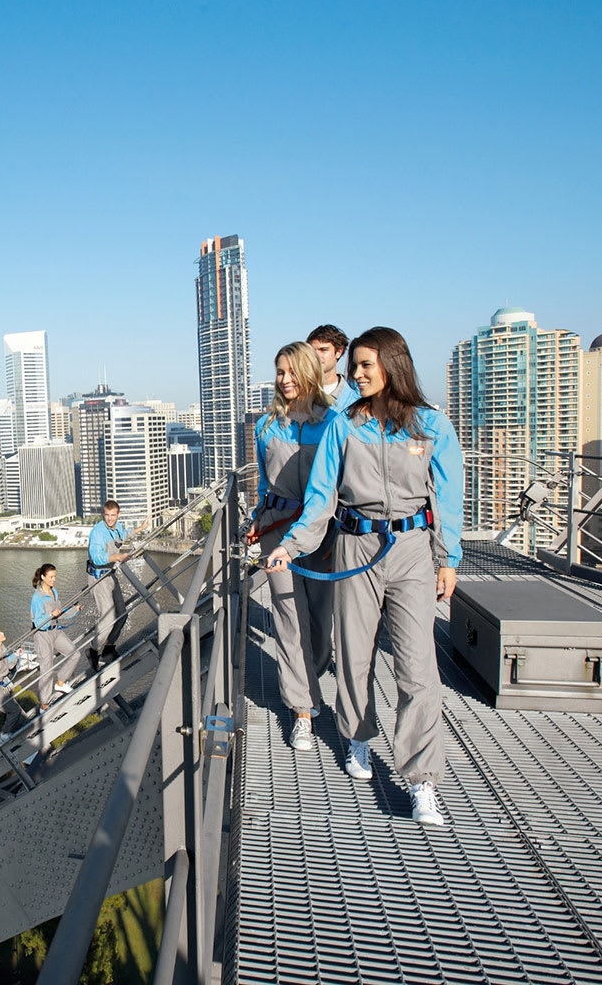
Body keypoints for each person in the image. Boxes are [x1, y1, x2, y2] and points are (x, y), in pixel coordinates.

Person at [266, 326, 463, 828]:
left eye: (365, 366)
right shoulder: (343, 427)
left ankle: (422, 781)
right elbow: (320, 498)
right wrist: (290, 546)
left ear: (393, 366)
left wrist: (449, 558)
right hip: (355, 544)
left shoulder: (430, 425)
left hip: (413, 552)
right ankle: (356, 736)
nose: (355, 375)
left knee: (417, 667)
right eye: (353, 366)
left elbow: (448, 496)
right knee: (354, 653)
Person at [252, 341, 337, 753]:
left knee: (321, 621)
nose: (284, 380)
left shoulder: (334, 423)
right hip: (277, 531)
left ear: (308, 371)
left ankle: (311, 676)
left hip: (324, 533)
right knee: (289, 618)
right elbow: (265, 483)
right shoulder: (267, 426)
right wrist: (258, 518)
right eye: (279, 372)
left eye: (291, 372)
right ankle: (302, 709)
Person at [86, 500, 146, 667]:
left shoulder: (117, 527)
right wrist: (119, 557)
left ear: (118, 515)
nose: (110, 519)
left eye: (113, 515)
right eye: (107, 515)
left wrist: (140, 528)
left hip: (110, 575)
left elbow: (124, 535)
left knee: (122, 613)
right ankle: (93, 650)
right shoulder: (98, 532)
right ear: (103, 514)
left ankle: (108, 648)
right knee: (108, 618)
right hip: (98, 578)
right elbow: (96, 556)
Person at [30, 563, 81, 706]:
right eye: (51, 577)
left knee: (75, 653)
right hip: (43, 634)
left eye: (55, 577)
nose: (54, 580)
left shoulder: (54, 592)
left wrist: (74, 609)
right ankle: (44, 704)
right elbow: (36, 621)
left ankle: (60, 682)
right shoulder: (37, 597)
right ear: (43, 577)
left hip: (55, 630)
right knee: (46, 669)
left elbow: (60, 614)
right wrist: (50, 614)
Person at [307, 324, 362, 413]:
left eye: (323, 350)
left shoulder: (356, 399)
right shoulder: (297, 396)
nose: (316, 356)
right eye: (312, 351)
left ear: (338, 352)